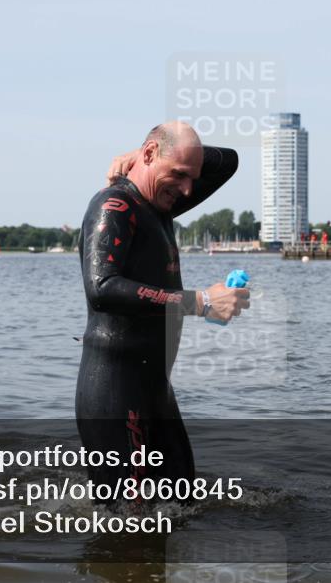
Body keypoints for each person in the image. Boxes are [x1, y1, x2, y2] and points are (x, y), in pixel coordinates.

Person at [76, 121, 246, 498]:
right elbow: (101, 288)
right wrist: (200, 302)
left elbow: (230, 161)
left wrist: (141, 153)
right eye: (180, 175)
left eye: (192, 178)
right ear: (153, 155)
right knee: (129, 523)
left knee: (182, 504)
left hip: (156, 389)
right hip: (115, 392)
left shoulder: (162, 202)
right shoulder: (114, 206)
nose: (188, 189)